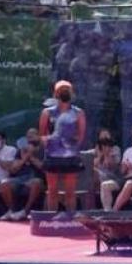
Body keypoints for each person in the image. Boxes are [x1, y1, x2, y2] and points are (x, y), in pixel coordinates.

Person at [39, 81, 87, 219]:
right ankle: (50, 220)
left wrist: (71, 147)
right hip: (52, 157)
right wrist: (50, 145)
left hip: (71, 157)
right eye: (61, 90)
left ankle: (70, 219)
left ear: (71, 93)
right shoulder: (47, 112)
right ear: (55, 94)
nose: (64, 92)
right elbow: (42, 133)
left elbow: (81, 135)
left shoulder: (79, 113)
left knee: (70, 192)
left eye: (67, 90)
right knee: (52, 190)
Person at [0, 128, 45, 221]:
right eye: (28, 137)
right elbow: (13, 169)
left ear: (39, 136)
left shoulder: (44, 150)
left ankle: (25, 211)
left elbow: (43, 167)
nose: (30, 138)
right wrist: (24, 158)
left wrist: (30, 157)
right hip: (20, 178)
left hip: (36, 177)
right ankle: (12, 210)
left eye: (32, 136)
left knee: (36, 182)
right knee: (4, 184)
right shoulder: (21, 150)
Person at [93, 129, 123, 210]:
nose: (104, 138)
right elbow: (93, 164)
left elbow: (111, 165)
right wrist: (100, 154)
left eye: (106, 136)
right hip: (98, 176)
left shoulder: (115, 149)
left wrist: (107, 153)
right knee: (91, 173)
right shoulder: (96, 149)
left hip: (112, 176)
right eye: (102, 136)